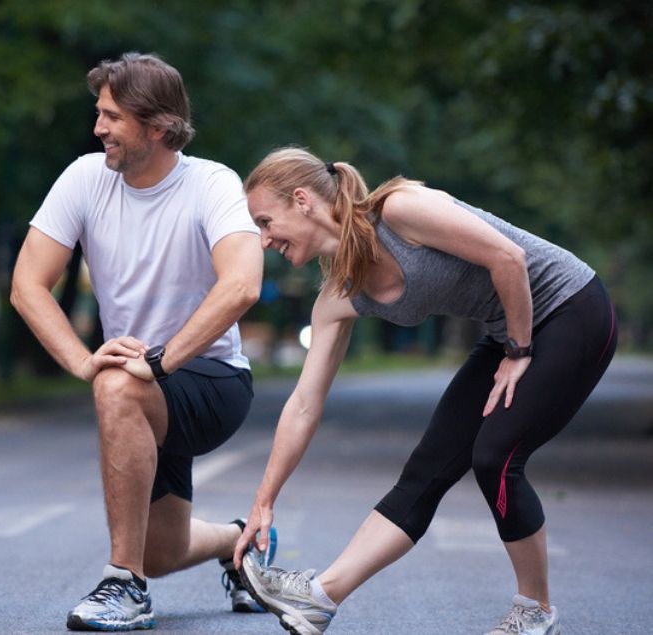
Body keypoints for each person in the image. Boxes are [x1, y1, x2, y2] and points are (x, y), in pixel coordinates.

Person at [233, 147, 616, 635]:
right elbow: (304, 403)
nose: (265, 240)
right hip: (510, 333)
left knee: (495, 455)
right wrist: (264, 501)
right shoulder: (337, 297)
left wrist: (519, 351)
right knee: (426, 469)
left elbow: (509, 256)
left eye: (267, 222)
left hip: (572, 308)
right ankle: (320, 598)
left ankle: (535, 610)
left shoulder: (400, 210)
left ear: (303, 201)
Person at [11, 52, 269, 631]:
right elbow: (28, 285)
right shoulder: (84, 178)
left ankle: (124, 584)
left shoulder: (211, 183)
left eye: (112, 117)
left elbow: (243, 284)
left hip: (212, 379)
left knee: (119, 382)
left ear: (158, 127)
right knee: (164, 550)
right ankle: (242, 542)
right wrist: (81, 361)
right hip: (143, 386)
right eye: (98, 113)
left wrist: (159, 361)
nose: (98, 127)